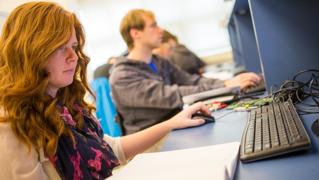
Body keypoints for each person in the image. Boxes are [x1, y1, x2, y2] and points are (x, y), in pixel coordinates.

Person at [0, 2, 210, 179]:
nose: (73, 57)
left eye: (73, 47)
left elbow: (111, 148)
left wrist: (173, 123)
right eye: (59, 47)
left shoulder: (65, 104)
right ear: (30, 51)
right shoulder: (10, 124)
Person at [110, 9, 262, 134]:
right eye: (153, 26)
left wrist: (226, 83)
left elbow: (192, 80)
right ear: (135, 33)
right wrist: (227, 85)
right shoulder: (122, 76)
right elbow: (172, 95)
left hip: (176, 126)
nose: (160, 30)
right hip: (151, 142)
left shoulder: (158, 61)